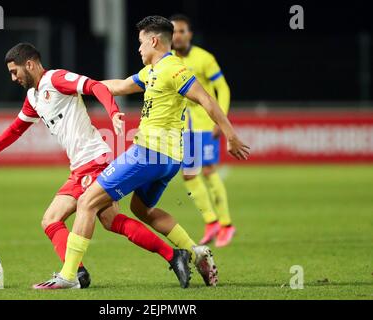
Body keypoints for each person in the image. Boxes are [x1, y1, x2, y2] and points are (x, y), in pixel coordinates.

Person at [36, 16, 249, 289]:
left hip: (149, 154)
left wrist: (230, 135)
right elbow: (122, 85)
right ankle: (195, 252)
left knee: (88, 200)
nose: (138, 49)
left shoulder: (174, 69)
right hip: (169, 159)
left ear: (154, 40)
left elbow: (206, 98)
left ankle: (68, 276)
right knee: (141, 208)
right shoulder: (151, 71)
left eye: (140, 43)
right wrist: (79, 86)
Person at [0, 42, 193, 290]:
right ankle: (174, 256)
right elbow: (16, 129)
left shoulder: (56, 79)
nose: (13, 78)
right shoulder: (33, 97)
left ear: (30, 64)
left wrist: (113, 111)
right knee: (111, 221)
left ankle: (74, 273)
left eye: (15, 71)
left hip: (93, 161)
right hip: (81, 165)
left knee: (51, 219)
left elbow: (94, 86)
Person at [170, 14, 235, 247]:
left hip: (205, 124)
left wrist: (221, 118)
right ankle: (211, 222)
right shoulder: (168, 60)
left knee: (207, 169)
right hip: (183, 128)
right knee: (188, 174)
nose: (177, 35)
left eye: (181, 31)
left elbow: (222, 88)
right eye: (174, 31)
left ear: (190, 34)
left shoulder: (204, 58)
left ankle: (226, 224)